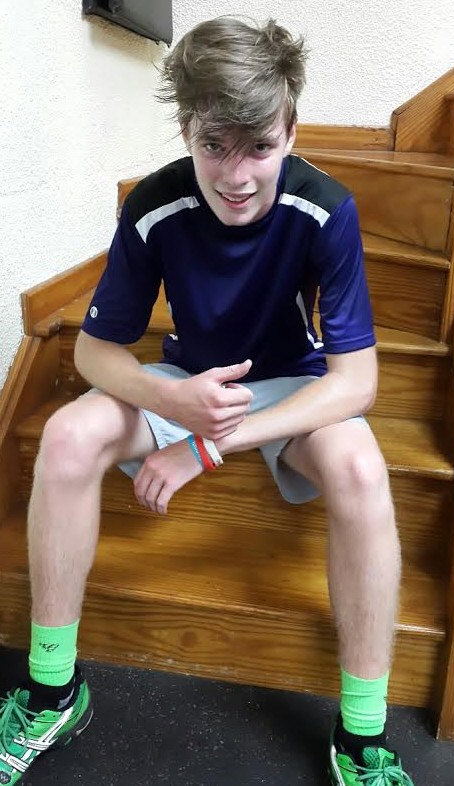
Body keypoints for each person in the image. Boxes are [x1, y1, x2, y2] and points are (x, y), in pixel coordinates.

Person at [0, 16, 414, 785]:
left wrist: (207, 444)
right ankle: (52, 689)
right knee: (64, 436)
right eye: (213, 145)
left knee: (362, 470)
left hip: (290, 384)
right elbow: (93, 352)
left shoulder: (325, 208)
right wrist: (180, 409)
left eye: (259, 146)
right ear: (185, 129)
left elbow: (355, 382)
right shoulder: (154, 205)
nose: (236, 175)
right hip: (187, 380)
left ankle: (361, 734)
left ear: (291, 132)